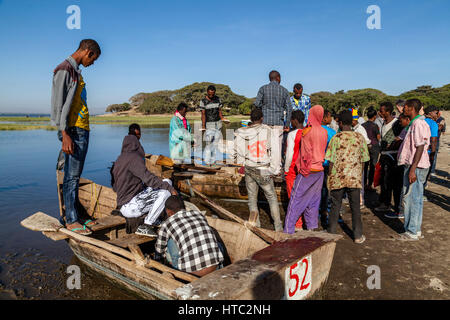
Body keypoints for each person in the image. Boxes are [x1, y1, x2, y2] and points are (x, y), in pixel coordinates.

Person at [51, 39, 101, 235]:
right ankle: (71, 220)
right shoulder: (64, 69)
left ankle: (74, 215)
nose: (92, 63)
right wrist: (64, 134)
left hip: (79, 130)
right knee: (71, 177)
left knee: (73, 175)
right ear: (87, 51)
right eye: (93, 59)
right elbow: (57, 104)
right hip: (73, 131)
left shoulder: (75, 71)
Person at [111, 125, 178, 236]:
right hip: (129, 206)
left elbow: (114, 187)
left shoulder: (120, 158)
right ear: (137, 142)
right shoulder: (134, 158)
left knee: (167, 181)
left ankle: (154, 217)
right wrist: (171, 190)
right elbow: (149, 179)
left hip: (133, 198)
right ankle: (146, 225)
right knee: (165, 192)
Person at [234, 108, 282, 231]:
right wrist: (274, 169)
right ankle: (278, 226)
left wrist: (243, 161)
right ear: (262, 118)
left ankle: (257, 226)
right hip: (263, 168)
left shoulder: (243, 132)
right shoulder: (268, 131)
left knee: (252, 199)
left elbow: (237, 150)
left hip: (250, 167)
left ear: (251, 119)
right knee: (271, 197)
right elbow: (275, 152)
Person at [325, 110, 370, 244]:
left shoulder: (336, 138)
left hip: (338, 178)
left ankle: (331, 234)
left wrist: (330, 176)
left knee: (335, 206)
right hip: (354, 178)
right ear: (352, 122)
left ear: (339, 122)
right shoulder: (359, 138)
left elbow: (331, 160)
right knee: (355, 207)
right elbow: (364, 160)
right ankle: (357, 236)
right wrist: (358, 174)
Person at [284, 105, 328, 233]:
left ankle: (288, 230)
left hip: (307, 171)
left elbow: (305, 153)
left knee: (295, 201)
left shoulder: (307, 131)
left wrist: (302, 169)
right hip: (319, 171)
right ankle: (311, 228)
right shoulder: (324, 131)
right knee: (313, 202)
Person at [155, 196, 224, 276]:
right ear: (183, 207)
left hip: (191, 273)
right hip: (215, 268)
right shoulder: (199, 214)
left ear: (169, 212)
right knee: (217, 243)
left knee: (170, 242)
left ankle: (174, 270)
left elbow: (159, 250)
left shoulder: (167, 224)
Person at [397, 99, 431, 240]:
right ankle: (414, 229)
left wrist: (412, 169)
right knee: (414, 198)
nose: (403, 110)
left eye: (405, 107)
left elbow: (420, 146)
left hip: (416, 166)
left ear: (411, 109)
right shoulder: (415, 123)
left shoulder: (418, 124)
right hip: (415, 165)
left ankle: (412, 231)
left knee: (412, 198)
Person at [254, 70, 292, 175]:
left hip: (265, 121)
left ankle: (265, 168)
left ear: (270, 78)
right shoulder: (284, 91)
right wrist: (287, 124)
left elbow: (257, 104)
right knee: (277, 147)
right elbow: (289, 108)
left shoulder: (263, 89)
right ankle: (276, 170)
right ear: (278, 78)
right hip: (278, 122)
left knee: (265, 146)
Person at [375, 102, 403, 213]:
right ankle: (384, 201)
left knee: (392, 183)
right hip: (385, 156)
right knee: (384, 181)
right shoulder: (383, 123)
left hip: (393, 156)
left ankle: (392, 206)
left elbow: (400, 139)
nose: (380, 113)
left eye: (381, 111)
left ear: (388, 111)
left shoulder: (396, 124)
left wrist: (389, 147)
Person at [199, 85, 228, 166]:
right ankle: (207, 162)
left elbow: (219, 111)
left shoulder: (218, 99)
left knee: (215, 144)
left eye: (213, 94)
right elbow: (203, 114)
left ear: (214, 92)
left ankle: (213, 161)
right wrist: (203, 126)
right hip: (209, 125)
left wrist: (222, 119)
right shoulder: (203, 101)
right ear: (207, 92)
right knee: (208, 143)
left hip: (218, 124)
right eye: (210, 94)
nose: (211, 95)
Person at [319, 109, 337, 223]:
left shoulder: (313, 130)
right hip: (327, 164)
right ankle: (324, 210)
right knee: (325, 189)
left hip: (315, 164)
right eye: (330, 117)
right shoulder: (332, 133)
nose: (331, 119)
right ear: (324, 118)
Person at [362, 107, 381, 191]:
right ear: (374, 116)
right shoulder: (375, 126)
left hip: (365, 147)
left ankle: (364, 183)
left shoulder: (362, 125)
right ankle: (369, 185)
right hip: (374, 147)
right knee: (372, 166)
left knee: (364, 166)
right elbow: (378, 137)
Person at [423, 106, 439, 187]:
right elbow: (433, 140)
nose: (437, 115)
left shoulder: (420, 121)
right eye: (436, 113)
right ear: (430, 113)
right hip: (428, 152)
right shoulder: (433, 124)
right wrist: (432, 154)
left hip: (417, 151)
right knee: (424, 175)